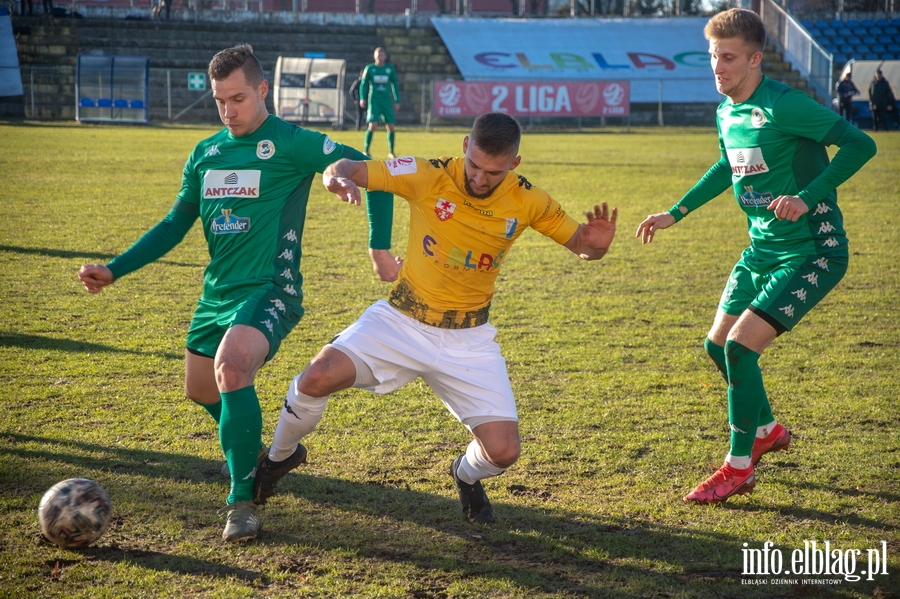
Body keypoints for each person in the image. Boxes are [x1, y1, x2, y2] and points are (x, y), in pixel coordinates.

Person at [77, 44, 394, 543]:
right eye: (220, 100)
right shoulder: (206, 153)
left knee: (231, 365)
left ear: (263, 90)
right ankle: (261, 456)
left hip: (272, 288)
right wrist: (116, 269)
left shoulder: (290, 142)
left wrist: (378, 249)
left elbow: (375, 171)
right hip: (217, 293)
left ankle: (242, 499)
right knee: (201, 390)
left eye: (239, 99)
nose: (229, 110)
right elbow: (174, 223)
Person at [253, 112, 618, 524]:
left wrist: (597, 245)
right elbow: (348, 166)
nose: (480, 179)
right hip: (400, 320)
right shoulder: (427, 174)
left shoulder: (529, 200)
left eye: (493, 173)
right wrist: (336, 177)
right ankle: (278, 459)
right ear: (465, 145)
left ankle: (464, 475)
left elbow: (582, 247)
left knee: (504, 453)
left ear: (513, 165)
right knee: (315, 377)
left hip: (468, 339)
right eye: (475, 165)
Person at [635, 8, 876, 505]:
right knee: (716, 346)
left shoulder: (787, 106)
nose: (717, 68)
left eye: (728, 58)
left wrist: (809, 195)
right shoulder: (726, 110)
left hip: (812, 251)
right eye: (713, 57)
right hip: (761, 250)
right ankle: (764, 428)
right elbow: (728, 163)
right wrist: (674, 212)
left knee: (741, 349)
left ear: (755, 59)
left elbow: (860, 144)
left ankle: (738, 467)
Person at [359, 47, 401, 159]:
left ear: (385, 57)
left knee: (391, 126)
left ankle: (391, 151)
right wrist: (362, 98)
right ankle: (366, 151)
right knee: (372, 125)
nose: (380, 57)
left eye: (382, 55)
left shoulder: (390, 69)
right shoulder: (370, 68)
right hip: (374, 101)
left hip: (386, 101)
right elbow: (364, 84)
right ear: (374, 56)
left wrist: (397, 101)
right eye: (378, 55)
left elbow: (394, 85)